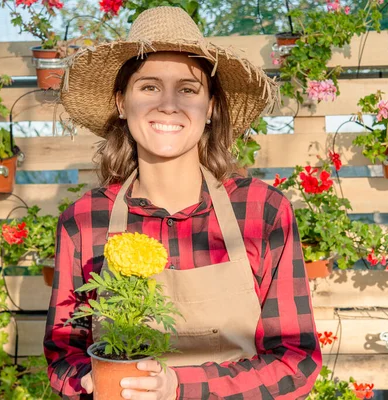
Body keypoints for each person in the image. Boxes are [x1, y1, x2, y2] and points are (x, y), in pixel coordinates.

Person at [44, 6, 322, 400]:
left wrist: (180, 386)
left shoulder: (263, 211)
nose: (168, 105)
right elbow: (64, 354)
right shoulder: (86, 220)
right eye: (149, 87)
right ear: (122, 103)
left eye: (188, 89)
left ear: (209, 107)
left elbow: (296, 361)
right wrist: (86, 380)